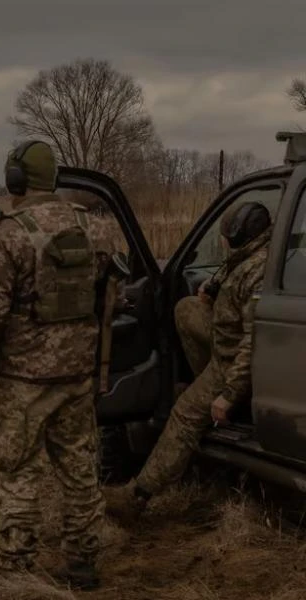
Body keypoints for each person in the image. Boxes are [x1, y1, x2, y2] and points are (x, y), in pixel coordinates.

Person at [0, 140, 118, 590]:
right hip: (77, 377)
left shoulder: (6, 234)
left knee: (16, 471)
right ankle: (83, 565)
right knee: (79, 471)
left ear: (16, 180)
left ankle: (17, 569)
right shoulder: (96, 229)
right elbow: (106, 297)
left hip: (23, 381)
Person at [104, 201, 272, 521]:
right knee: (185, 309)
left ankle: (138, 496)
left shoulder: (257, 275)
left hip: (234, 360)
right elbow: (231, 269)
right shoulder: (252, 255)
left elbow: (253, 345)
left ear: (237, 236)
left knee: (183, 415)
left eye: (225, 236)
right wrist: (212, 286)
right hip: (227, 340)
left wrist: (229, 393)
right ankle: (204, 384)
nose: (223, 241)